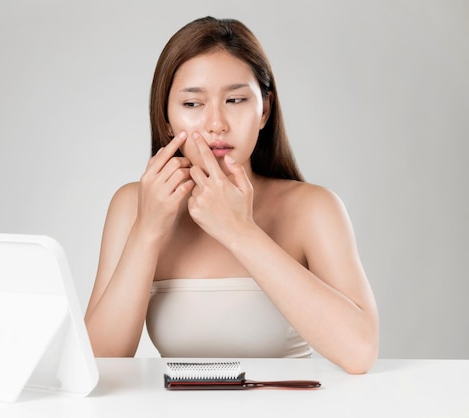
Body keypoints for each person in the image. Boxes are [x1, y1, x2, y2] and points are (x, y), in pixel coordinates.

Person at [84, 16, 379, 374]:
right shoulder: (132, 205)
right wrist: (147, 231)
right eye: (193, 105)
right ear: (166, 119)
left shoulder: (313, 208)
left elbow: (360, 351)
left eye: (236, 100)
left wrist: (241, 231)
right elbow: (98, 361)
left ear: (265, 110)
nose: (216, 124)